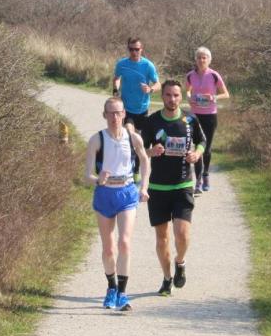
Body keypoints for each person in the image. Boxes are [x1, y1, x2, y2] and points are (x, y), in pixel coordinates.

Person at [85, 96, 150, 312]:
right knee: (108, 248)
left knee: (124, 242)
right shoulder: (96, 140)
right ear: (104, 115)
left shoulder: (134, 139)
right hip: (105, 194)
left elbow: (145, 161)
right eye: (110, 113)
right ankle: (111, 287)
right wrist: (98, 179)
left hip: (127, 193)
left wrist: (143, 187)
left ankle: (122, 293)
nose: (114, 117)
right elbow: (88, 175)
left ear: (124, 114)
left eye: (118, 112)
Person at [142, 80, 206, 296]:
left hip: (182, 184)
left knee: (182, 233)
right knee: (162, 238)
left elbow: (202, 142)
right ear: (163, 97)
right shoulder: (152, 121)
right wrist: (152, 152)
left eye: (176, 95)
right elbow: (140, 151)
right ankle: (167, 278)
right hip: (158, 187)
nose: (172, 99)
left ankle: (180, 262)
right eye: (168, 95)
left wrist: (196, 154)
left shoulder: (190, 119)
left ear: (182, 97)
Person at [185, 46, 230, 193]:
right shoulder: (190, 75)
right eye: (199, 57)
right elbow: (187, 90)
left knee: (207, 149)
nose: (201, 60)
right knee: (197, 146)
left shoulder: (214, 75)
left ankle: (205, 175)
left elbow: (226, 94)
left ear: (209, 60)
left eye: (204, 57)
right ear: (196, 59)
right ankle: (197, 181)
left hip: (210, 115)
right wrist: (188, 96)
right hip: (195, 116)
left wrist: (214, 97)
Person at [113, 37, 160, 133]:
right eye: (131, 49)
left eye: (137, 49)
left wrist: (150, 89)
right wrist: (116, 90)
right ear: (128, 49)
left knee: (139, 137)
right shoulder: (121, 64)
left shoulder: (148, 65)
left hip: (142, 108)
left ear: (141, 49)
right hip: (126, 108)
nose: (134, 52)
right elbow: (117, 78)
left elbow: (158, 84)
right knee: (129, 132)